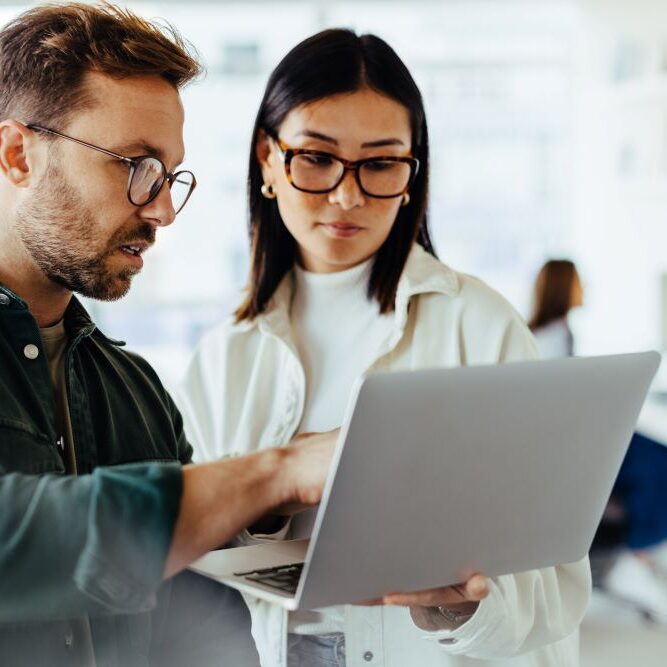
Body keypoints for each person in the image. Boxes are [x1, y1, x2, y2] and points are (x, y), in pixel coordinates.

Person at [177, 29, 591, 667]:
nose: (348, 195)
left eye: (379, 163)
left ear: (410, 174)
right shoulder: (222, 358)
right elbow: (194, 564)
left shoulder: (478, 324)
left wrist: (459, 607)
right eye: (316, 157)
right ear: (267, 158)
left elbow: (556, 587)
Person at [0, 4, 338, 666]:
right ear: (16, 154)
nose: (159, 210)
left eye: (168, 176)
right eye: (134, 165)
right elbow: (21, 533)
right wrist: (277, 470)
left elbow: (200, 619)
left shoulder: (136, 391)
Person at [529, 259, 667, 620]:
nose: (585, 289)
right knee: (657, 462)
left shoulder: (558, 330)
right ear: (564, 287)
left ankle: (638, 551)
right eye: (579, 282)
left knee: (653, 456)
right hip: (566, 443)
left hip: (578, 433)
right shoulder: (550, 337)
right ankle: (636, 552)